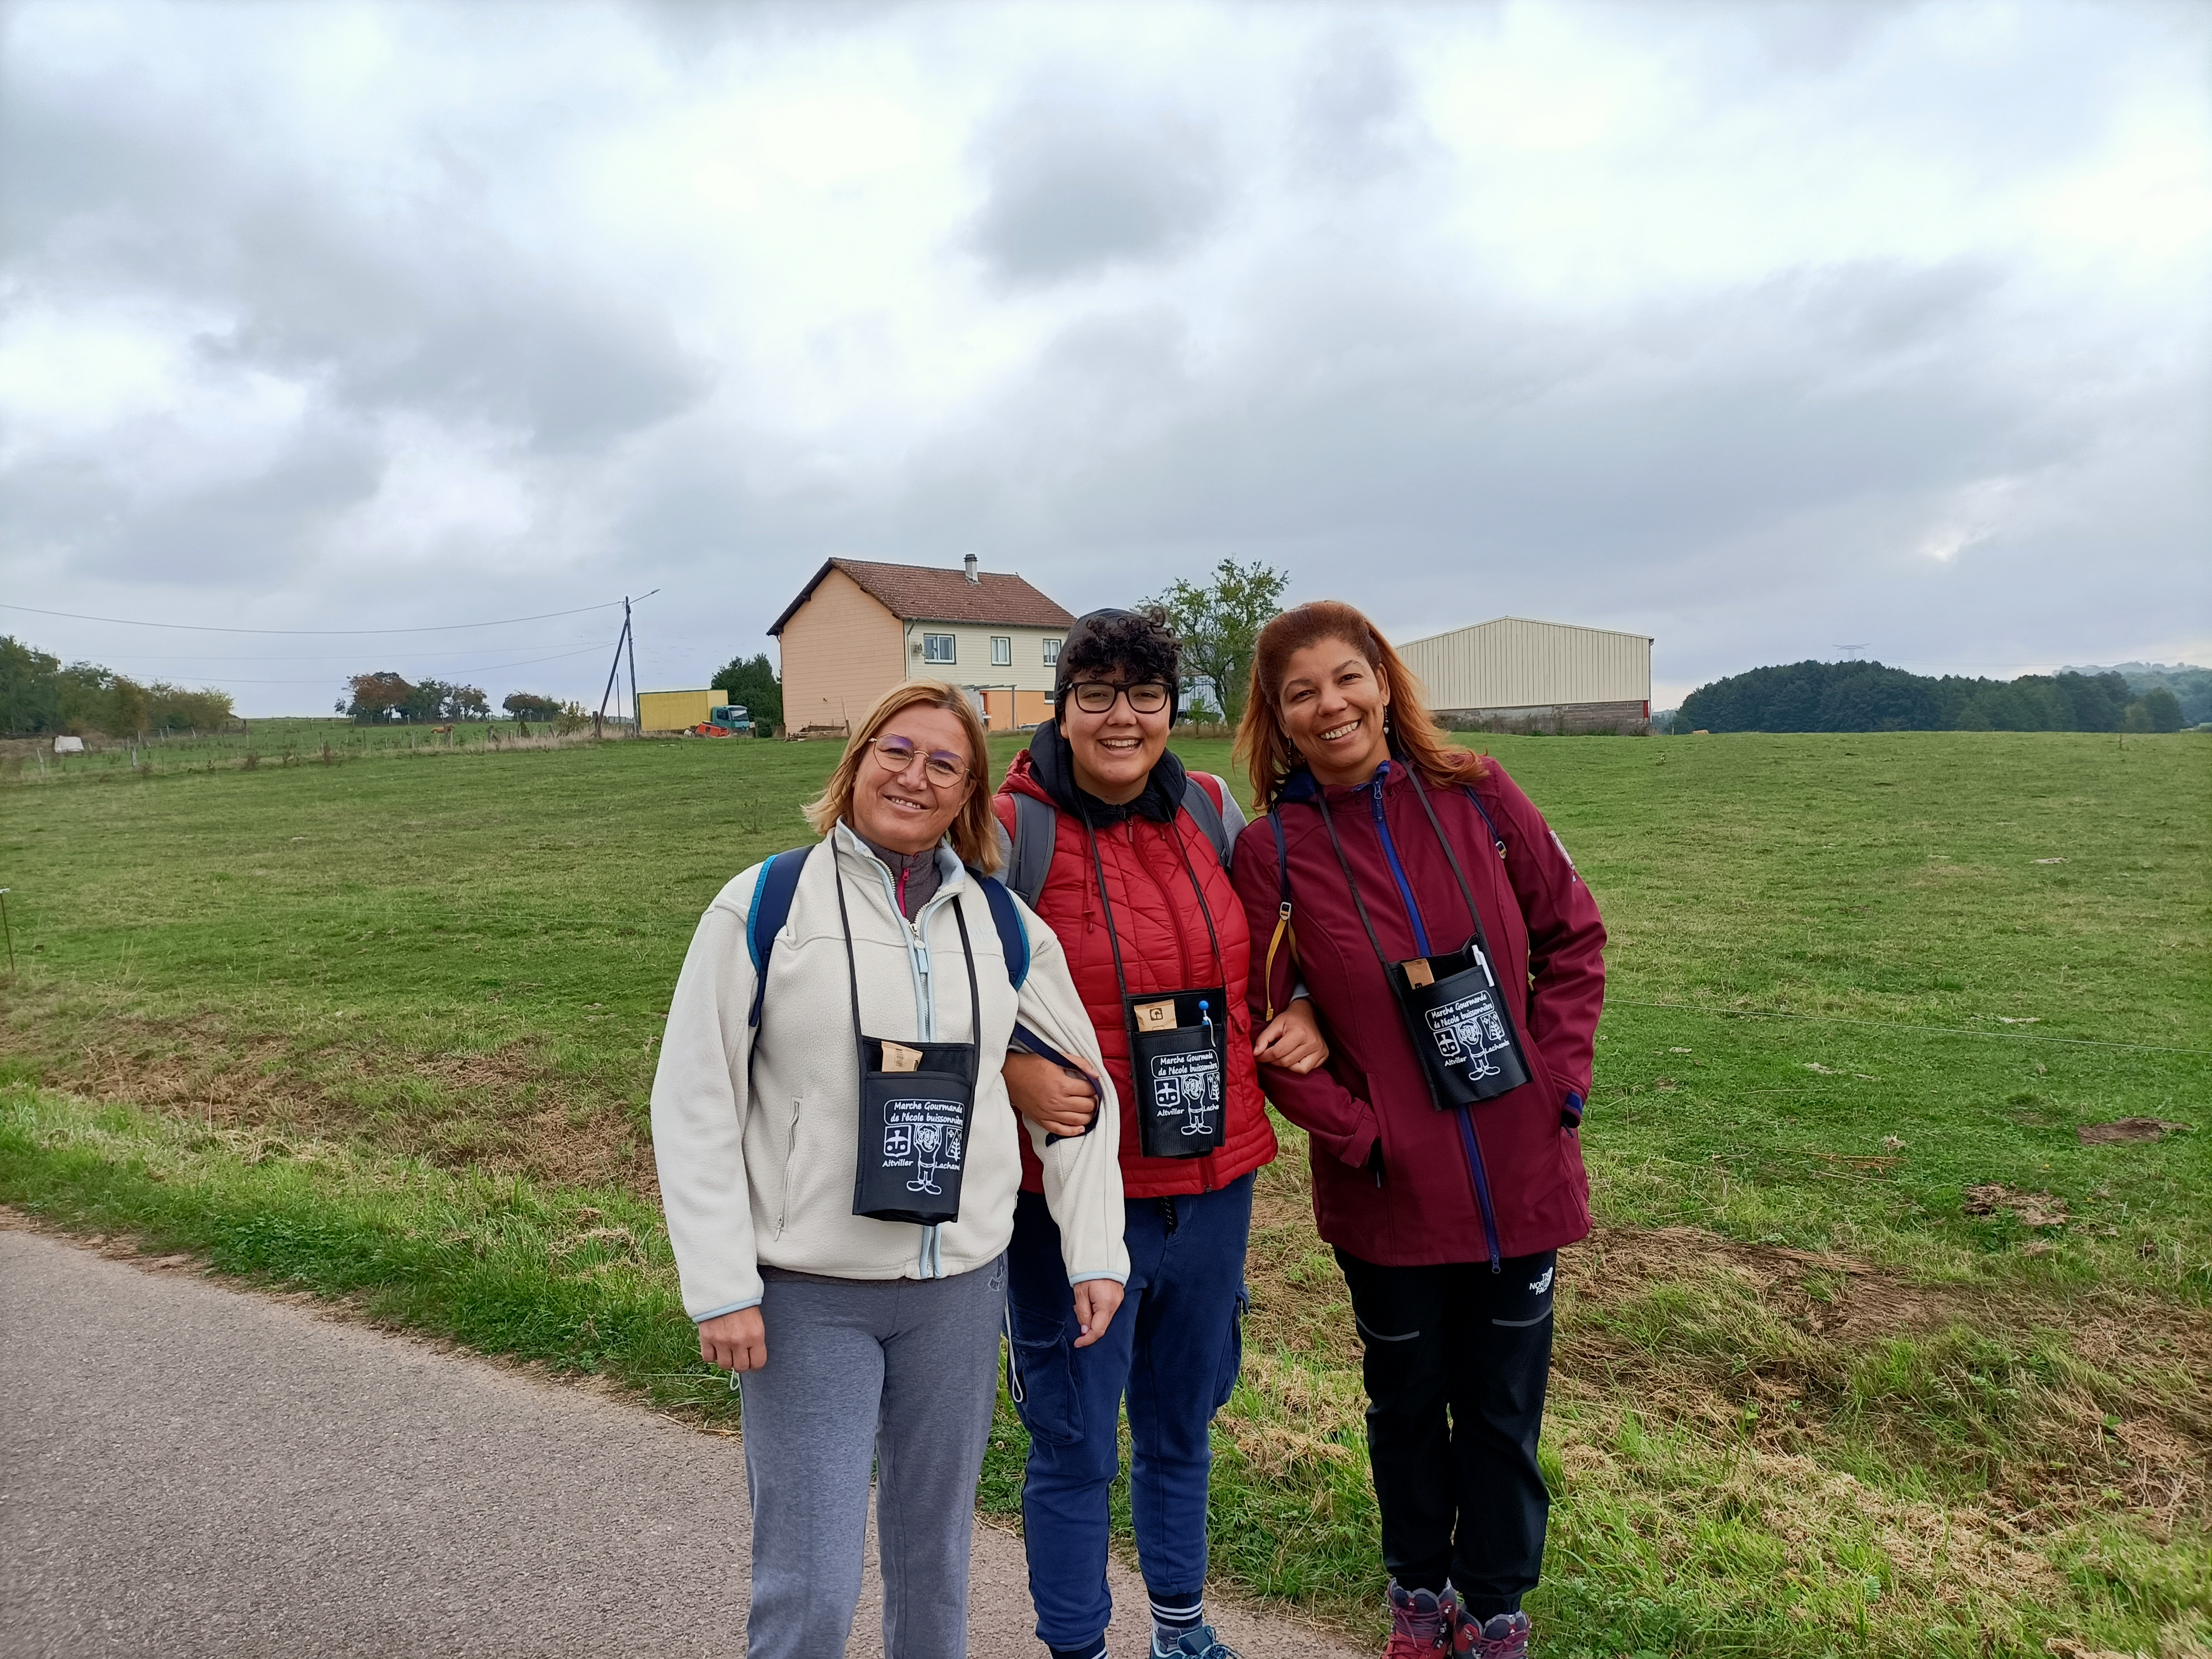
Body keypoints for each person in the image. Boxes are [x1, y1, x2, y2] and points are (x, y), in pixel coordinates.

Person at [651, 679, 1129, 1659]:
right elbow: (695, 1098)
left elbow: (1082, 1095)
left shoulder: (1002, 926)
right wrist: (721, 1286)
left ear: (969, 794)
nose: (916, 777)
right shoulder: (765, 904)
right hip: (807, 1297)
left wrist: (1095, 1250)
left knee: (934, 1568)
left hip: (958, 1295)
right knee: (811, 1585)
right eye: (896, 752)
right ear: (858, 761)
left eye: (945, 764)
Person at [1228, 602, 1606, 1659]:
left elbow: (1573, 938)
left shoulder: (1478, 795)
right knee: (1404, 1407)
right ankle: (1417, 1599)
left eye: (1347, 678)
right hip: (1387, 1195)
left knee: (1502, 1411)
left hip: (1522, 1175)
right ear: (1279, 719)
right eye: (1302, 693)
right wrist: (1364, 1135)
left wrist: (1555, 1087)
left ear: (1384, 684)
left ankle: (1495, 1611)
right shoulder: (1272, 852)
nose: (1331, 705)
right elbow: (1260, 1029)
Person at [993, 608, 1332, 1659]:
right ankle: (1078, 1647)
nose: (1122, 718)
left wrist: (1305, 1005)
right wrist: (1008, 1071)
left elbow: (1290, 942)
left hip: (1214, 1181)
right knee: (1075, 1443)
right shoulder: (1006, 832)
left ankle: (1181, 1630)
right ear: (1061, 708)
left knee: (1182, 1429)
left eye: (1145, 696)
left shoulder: (1212, 814)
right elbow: (925, 982)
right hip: (1070, 1200)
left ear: (1171, 710)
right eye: (1096, 694)